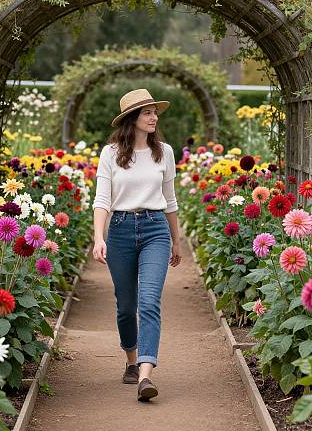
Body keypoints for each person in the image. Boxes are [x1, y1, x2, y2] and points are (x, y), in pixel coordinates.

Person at [92, 88, 182, 402]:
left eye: (155, 111)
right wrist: (98, 237)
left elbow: (170, 200)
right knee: (126, 305)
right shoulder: (111, 153)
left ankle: (145, 375)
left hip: (155, 228)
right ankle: (131, 361)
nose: (154, 116)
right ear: (132, 118)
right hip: (119, 230)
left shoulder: (165, 152)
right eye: (147, 112)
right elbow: (102, 200)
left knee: (149, 302)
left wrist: (176, 240)